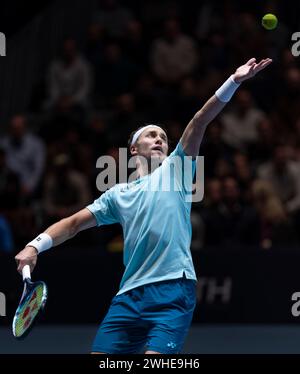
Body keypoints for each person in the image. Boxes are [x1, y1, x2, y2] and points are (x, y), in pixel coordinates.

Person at [15, 57, 272, 354]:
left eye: (163, 136)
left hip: (173, 289)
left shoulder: (177, 168)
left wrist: (233, 81)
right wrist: (35, 246)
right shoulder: (117, 194)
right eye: (152, 135)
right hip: (128, 296)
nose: (160, 139)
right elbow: (72, 225)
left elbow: (200, 120)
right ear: (134, 149)